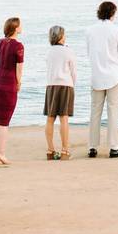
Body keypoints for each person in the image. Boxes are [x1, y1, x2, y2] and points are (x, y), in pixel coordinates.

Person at [86, 1, 118, 158]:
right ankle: (114, 147)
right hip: (114, 75)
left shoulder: (90, 30)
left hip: (97, 75)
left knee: (95, 111)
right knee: (113, 111)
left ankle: (92, 147)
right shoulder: (117, 30)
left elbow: (89, 53)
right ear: (112, 13)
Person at [0, 17, 24, 166]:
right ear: (16, 28)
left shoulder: (1, 42)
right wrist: (19, 83)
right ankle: (1, 153)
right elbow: (19, 69)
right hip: (8, 83)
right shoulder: (18, 46)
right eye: (20, 25)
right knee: (4, 122)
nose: (21, 27)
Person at [44, 25, 77, 160]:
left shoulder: (49, 52)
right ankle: (65, 150)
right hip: (65, 85)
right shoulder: (68, 51)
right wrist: (72, 85)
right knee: (64, 118)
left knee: (50, 119)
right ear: (61, 37)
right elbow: (73, 72)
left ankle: (50, 150)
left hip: (51, 86)